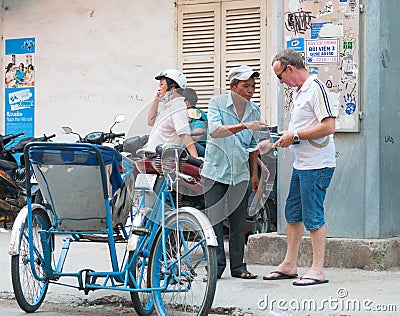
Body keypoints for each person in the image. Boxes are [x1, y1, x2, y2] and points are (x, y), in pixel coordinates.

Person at [263, 49, 338, 286]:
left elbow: (329, 126)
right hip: (302, 164)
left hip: (317, 165)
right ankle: (289, 264)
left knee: (313, 216)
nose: (280, 81)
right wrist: (279, 138)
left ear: (290, 69)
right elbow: (301, 128)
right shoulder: (299, 92)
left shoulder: (315, 89)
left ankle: (317, 269)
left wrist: (294, 135)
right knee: (293, 214)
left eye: (279, 76)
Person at [201, 65, 267, 280]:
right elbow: (215, 131)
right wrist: (246, 125)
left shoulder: (254, 110)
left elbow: (253, 146)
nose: (250, 91)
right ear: (233, 86)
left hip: (240, 173)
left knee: (239, 224)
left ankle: (238, 267)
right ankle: (216, 267)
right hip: (215, 171)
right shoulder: (217, 103)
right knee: (214, 222)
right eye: (246, 86)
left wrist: (254, 175)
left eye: (253, 87)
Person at [146, 69, 200, 158]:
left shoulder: (178, 107)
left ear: (172, 86)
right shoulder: (168, 106)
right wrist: (156, 101)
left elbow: (185, 135)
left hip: (163, 161)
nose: (159, 88)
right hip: (154, 159)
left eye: (162, 85)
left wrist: (196, 158)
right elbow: (150, 122)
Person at [178, 87, 208, 157]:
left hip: (201, 148)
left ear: (186, 103)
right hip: (188, 145)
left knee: (184, 142)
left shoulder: (198, 114)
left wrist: (183, 135)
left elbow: (197, 135)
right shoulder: (181, 115)